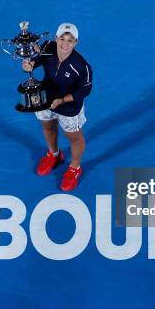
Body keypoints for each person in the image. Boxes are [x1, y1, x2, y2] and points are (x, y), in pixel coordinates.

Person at [22, 22, 93, 191]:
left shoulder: (82, 66)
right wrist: (29, 65)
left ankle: (75, 167)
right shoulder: (48, 47)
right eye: (62, 38)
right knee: (48, 127)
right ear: (56, 38)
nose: (65, 44)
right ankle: (54, 154)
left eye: (70, 40)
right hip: (45, 99)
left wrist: (62, 100)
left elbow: (85, 90)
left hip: (69, 107)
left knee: (74, 138)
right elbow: (36, 60)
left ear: (76, 42)